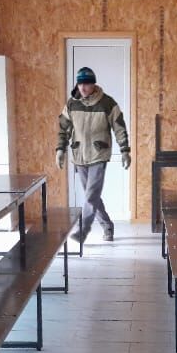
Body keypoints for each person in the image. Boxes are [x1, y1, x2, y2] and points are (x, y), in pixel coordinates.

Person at [56, 66, 130, 243]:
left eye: (87, 84)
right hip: (79, 155)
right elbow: (63, 128)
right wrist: (60, 150)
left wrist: (125, 150)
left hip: (99, 154)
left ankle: (82, 231)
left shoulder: (107, 103)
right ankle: (107, 226)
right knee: (93, 196)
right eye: (80, 84)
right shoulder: (71, 104)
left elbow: (119, 128)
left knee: (90, 196)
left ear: (94, 84)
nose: (83, 87)